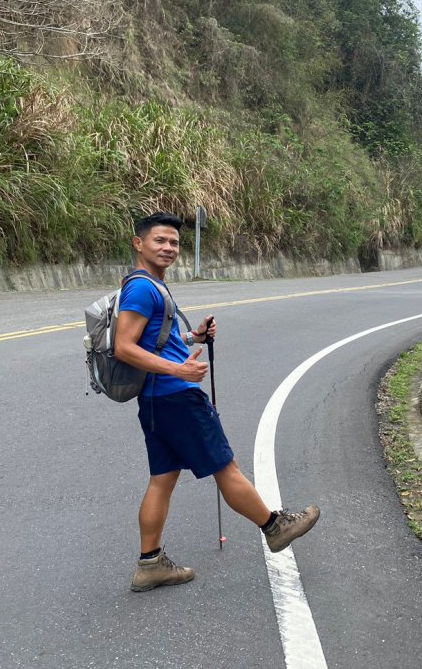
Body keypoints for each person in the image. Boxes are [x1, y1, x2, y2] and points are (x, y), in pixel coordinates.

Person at [114, 212, 320, 592]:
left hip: (158, 402)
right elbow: (123, 347)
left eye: (174, 242)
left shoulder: (146, 285)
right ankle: (275, 527)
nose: (169, 248)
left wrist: (191, 338)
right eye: (160, 240)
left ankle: (150, 564)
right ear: (138, 243)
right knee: (227, 467)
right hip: (177, 398)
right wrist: (178, 372)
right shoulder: (142, 289)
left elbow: (151, 341)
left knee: (162, 479)